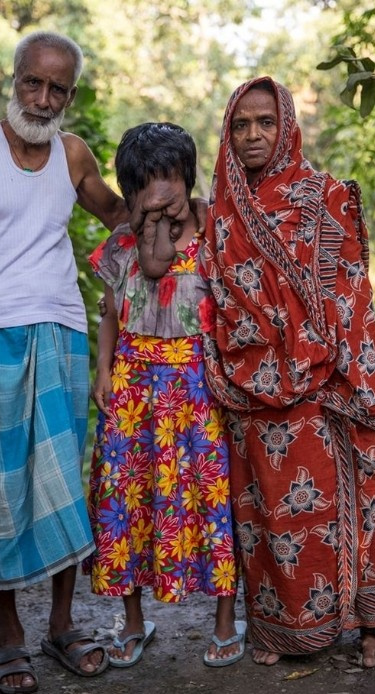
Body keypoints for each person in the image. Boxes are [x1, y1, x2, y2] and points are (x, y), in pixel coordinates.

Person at [0, 32, 200, 694]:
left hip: (61, 332)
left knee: (62, 484)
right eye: (33, 83)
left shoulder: (72, 153)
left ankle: (59, 625)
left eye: (57, 88)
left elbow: (120, 215)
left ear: (70, 95)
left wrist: (180, 206)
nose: (43, 98)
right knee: (1, 485)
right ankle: (8, 639)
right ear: (14, 79)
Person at [202, 75, 375, 668]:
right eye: (241, 125)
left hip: (325, 381)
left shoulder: (324, 196)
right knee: (267, 508)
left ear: (286, 125)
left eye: (265, 122)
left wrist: (350, 373)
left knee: (352, 497)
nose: (253, 135)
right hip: (249, 385)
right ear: (228, 134)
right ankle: (286, 630)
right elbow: (211, 297)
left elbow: (352, 291)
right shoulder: (220, 213)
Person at [83, 122, 246, 669]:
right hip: (132, 388)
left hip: (198, 389)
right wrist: (103, 370)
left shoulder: (213, 235)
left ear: (187, 177)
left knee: (211, 499)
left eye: (168, 178)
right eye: (145, 185)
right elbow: (110, 314)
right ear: (129, 193)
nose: (158, 195)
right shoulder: (122, 246)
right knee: (124, 501)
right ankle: (132, 619)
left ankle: (226, 621)